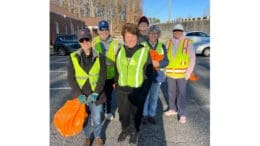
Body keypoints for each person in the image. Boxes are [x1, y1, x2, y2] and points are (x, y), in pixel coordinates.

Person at [114, 23, 153, 144]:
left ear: (137, 36)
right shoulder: (120, 51)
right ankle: (125, 129)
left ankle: (134, 131)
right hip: (122, 91)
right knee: (123, 114)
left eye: (132, 35)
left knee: (136, 115)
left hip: (137, 90)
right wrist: (116, 83)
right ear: (124, 38)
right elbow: (116, 70)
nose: (130, 39)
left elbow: (149, 74)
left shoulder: (144, 51)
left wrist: (143, 94)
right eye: (127, 36)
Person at [67, 28, 106, 146]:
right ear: (79, 42)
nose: (85, 42)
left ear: (91, 40)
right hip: (81, 96)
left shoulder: (100, 56)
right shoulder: (73, 57)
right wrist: (79, 95)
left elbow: (102, 76)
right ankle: (88, 137)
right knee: (85, 119)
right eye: (82, 40)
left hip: (97, 95)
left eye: (87, 39)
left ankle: (98, 136)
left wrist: (96, 93)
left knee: (97, 118)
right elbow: (71, 78)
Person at [164, 24, 196, 124]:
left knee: (182, 94)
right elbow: (165, 57)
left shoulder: (187, 42)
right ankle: (173, 109)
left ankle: (182, 113)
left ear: (182, 32)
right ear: (173, 32)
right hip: (170, 74)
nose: (177, 32)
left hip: (182, 74)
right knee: (171, 93)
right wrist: (165, 70)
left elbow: (192, 58)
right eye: (175, 30)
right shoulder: (168, 42)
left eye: (179, 30)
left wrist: (188, 73)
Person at [92, 20, 121, 121]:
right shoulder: (94, 42)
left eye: (106, 29)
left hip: (110, 76)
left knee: (108, 95)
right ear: (98, 31)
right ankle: (100, 111)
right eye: (102, 29)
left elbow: (121, 59)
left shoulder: (116, 43)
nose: (104, 31)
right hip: (98, 76)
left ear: (109, 30)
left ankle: (108, 112)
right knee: (99, 94)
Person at [142, 25, 169, 125]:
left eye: (155, 33)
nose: (153, 35)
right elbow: (138, 60)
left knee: (154, 97)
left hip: (158, 76)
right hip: (145, 76)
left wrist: (158, 63)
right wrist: (149, 63)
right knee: (145, 96)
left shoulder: (162, 46)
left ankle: (151, 115)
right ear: (148, 34)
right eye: (151, 33)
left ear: (158, 35)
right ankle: (144, 115)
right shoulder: (143, 45)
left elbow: (166, 61)